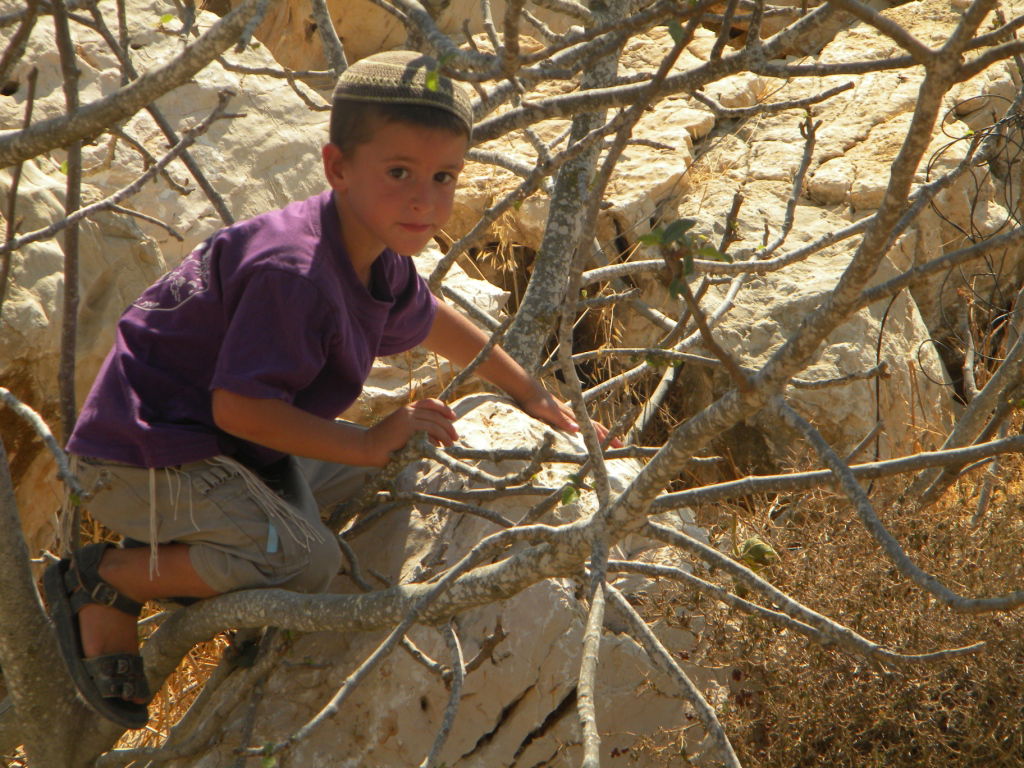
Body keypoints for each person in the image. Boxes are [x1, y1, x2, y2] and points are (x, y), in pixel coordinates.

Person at [45, 50, 606, 729]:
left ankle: (220, 563)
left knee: (395, 470)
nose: (424, 199)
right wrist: (366, 441)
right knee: (307, 562)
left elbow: (433, 321)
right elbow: (238, 407)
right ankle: (107, 579)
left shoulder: (376, 254)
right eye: (399, 172)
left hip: (223, 453)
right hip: (143, 460)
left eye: (444, 177)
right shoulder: (297, 271)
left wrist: (534, 394)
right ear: (337, 167)